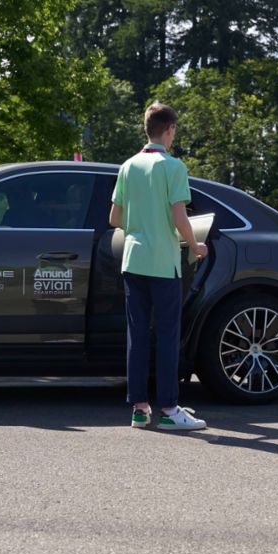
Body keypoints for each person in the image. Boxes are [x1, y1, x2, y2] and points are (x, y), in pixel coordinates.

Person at [109, 102, 209, 430]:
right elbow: (179, 216)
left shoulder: (127, 166)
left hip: (132, 260)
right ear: (168, 130)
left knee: (137, 336)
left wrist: (141, 224)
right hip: (163, 264)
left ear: (146, 128)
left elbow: (115, 218)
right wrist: (195, 245)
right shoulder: (174, 167)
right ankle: (168, 409)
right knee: (167, 336)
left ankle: (139, 409)